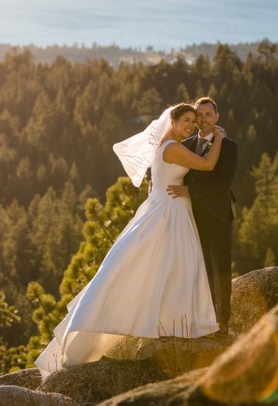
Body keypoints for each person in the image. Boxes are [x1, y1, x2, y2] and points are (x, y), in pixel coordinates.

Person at [34, 103, 225, 379]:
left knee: (168, 267)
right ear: (171, 120)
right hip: (167, 211)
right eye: (185, 120)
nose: (190, 126)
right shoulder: (172, 147)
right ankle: (170, 322)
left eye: (193, 122)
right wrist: (218, 136)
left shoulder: (169, 144)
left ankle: (171, 321)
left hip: (168, 207)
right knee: (166, 266)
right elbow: (208, 165)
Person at [167, 97, 237, 337]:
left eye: (208, 115)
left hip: (218, 215)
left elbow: (223, 182)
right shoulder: (185, 144)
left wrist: (191, 191)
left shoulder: (228, 146)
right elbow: (171, 168)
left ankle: (223, 320)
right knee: (198, 267)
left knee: (221, 268)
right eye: (199, 115)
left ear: (216, 117)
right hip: (190, 216)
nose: (203, 120)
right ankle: (203, 318)